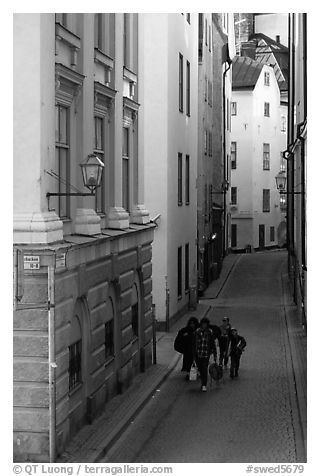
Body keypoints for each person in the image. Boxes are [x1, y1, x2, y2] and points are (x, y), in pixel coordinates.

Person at [193, 317, 217, 392]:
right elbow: (193, 343)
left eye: (205, 324)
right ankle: (203, 380)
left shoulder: (210, 332)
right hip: (198, 353)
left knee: (204, 368)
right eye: (203, 324)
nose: (204, 325)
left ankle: (204, 385)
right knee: (200, 368)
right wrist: (193, 353)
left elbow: (212, 343)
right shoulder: (197, 332)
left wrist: (214, 353)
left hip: (206, 354)